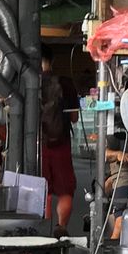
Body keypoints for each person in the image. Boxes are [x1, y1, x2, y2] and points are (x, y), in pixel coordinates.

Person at [39, 45, 79, 236]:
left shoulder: (29, 83)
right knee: (65, 190)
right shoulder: (65, 83)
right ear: (52, 60)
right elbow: (74, 118)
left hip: (38, 144)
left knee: (42, 189)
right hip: (61, 143)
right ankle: (61, 227)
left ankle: (43, 229)